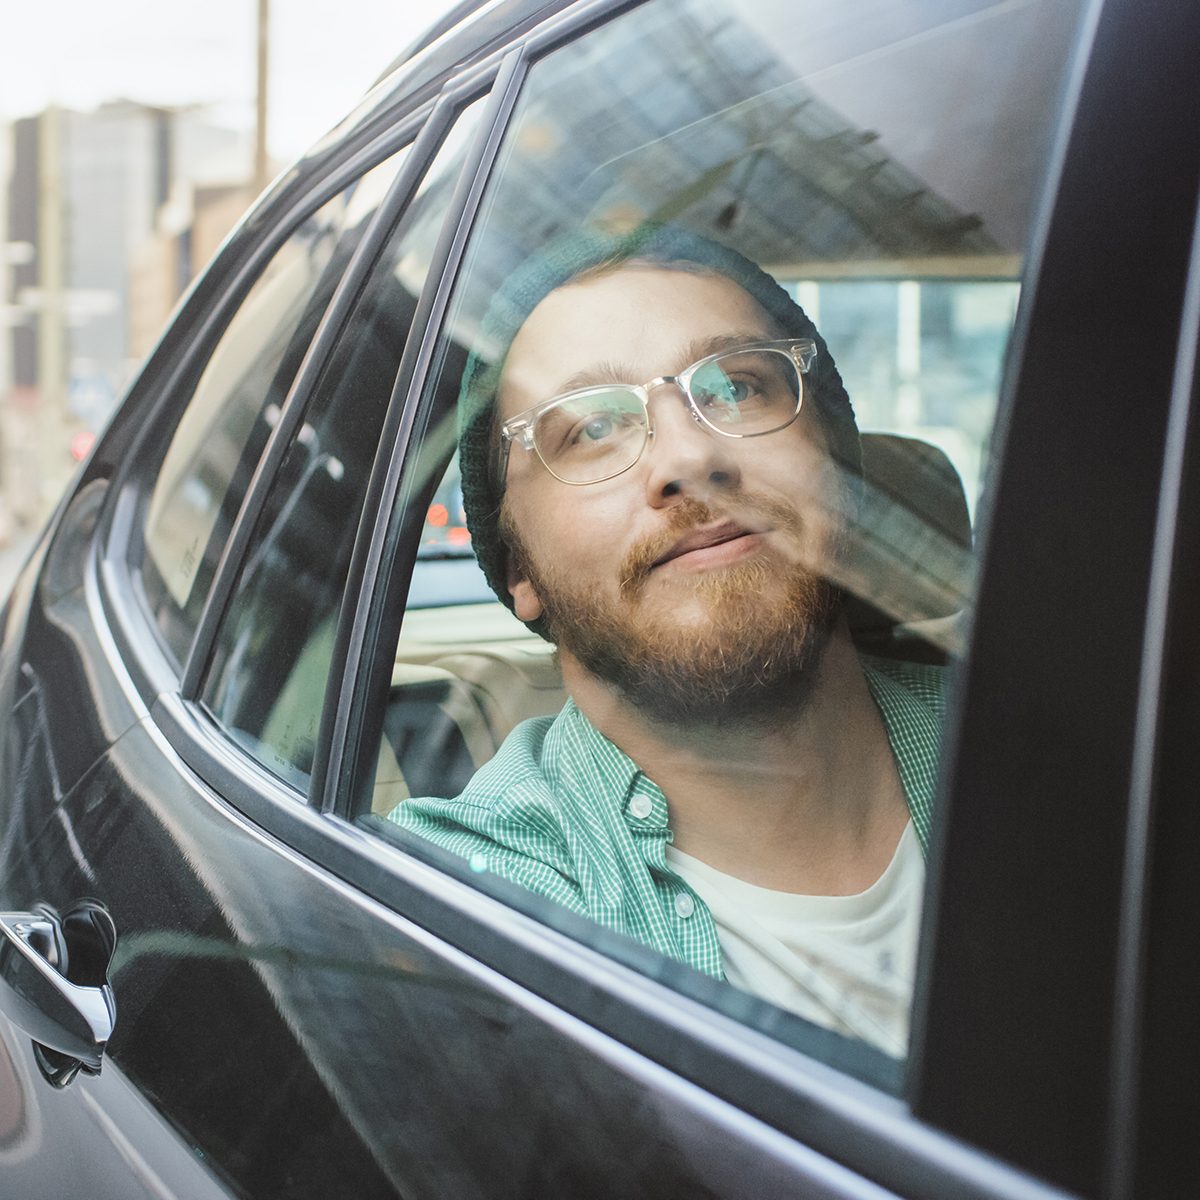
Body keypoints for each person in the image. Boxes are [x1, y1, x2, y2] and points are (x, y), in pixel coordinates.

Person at [390, 226, 945, 1056]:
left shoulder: (1078, 747)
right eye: (588, 428)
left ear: (836, 465)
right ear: (518, 571)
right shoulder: (466, 904)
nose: (688, 456)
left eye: (738, 386)